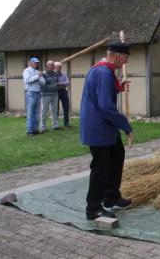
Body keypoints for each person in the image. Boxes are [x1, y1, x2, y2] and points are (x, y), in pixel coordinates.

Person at [80, 42, 134, 220]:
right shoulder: (103, 72)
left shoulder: (103, 70)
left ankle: (111, 197)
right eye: (125, 58)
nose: (125, 62)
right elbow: (105, 106)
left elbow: (101, 91)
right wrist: (126, 125)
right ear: (118, 55)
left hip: (105, 127)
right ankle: (93, 208)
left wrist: (118, 86)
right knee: (101, 167)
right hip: (98, 128)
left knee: (117, 155)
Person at [23, 57, 46, 135]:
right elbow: (27, 80)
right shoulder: (26, 70)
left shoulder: (37, 72)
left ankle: (35, 130)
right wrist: (37, 76)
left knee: (36, 112)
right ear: (30, 63)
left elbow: (44, 83)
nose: (36, 64)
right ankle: (29, 131)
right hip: (30, 93)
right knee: (30, 113)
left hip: (38, 93)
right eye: (35, 62)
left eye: (37, 63)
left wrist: (39, 77)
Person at [40, 61, 60, 131]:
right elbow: (42, 83)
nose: (52, 67)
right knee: (44, 111)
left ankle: (56, 125)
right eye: (50, 65)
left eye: (52, 65)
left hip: (55, 94)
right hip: (46, 95)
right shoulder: (43, 74)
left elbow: (55, 82)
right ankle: (42, 126)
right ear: (47, 66)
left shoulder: (55, 74)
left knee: (54, 110)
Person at [55, 62, 71, 127]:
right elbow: (54, 83)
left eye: (60, 67)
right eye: (57, 67)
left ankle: (66, 123)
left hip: (63, 91)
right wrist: (62, 83)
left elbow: (67, 82)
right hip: (56, 92)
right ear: (55, 67)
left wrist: (59, 83)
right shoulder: (53, 75)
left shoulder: (63, 74)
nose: (59, 68)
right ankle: (56, 124)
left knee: (66, 107)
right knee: (56, 108)